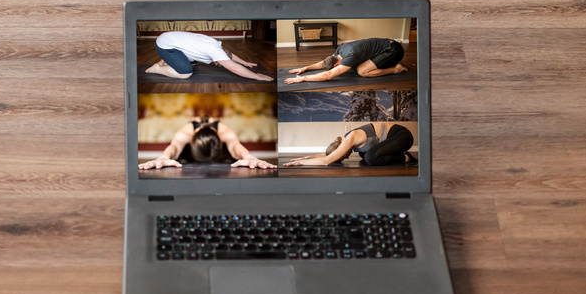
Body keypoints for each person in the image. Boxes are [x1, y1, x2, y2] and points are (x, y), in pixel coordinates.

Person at [138, 117, 274, 171]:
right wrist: (164, 157)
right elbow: (175, 147)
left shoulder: (224, 131)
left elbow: (234, 146)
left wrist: (248, 157)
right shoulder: (186, 132)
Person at [146, 30, 273, 82]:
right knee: (185, 73)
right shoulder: (215, 51)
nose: (218, 64)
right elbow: (233, 67)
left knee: (193, 61)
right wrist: (256, 76)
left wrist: (244, 62)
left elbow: (229, 55)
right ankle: (157, 68)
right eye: (220, 63)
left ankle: (167, 59)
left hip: (170, 38)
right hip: (165, 45)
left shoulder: (217, 45)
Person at [282, 121, 414, 167]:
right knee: (364, 155)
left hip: (402, 136)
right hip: (393, 141)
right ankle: (400, 154)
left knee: (370, 158)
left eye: (342, 156)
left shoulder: (350, 138)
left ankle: (405, 157)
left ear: (340, 149)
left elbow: (327, 160)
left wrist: (300, 164)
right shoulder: (343, 143)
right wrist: (305, 158)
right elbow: (326, 154)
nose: (346, 157)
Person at [284, 36, 408, 84]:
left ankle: (395, 69)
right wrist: (306, 68)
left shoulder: (350, 57)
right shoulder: (339, 51)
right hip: (386, 45)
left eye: (336, 66)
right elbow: (324, 63)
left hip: (394, 50)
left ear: (337, 64)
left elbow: (328, 75)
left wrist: (303, 78)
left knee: (361, 71)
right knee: (355, 66)